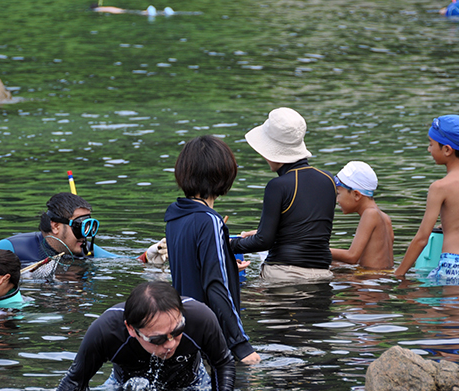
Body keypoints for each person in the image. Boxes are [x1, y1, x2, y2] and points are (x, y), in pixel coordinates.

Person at [164, 135, 261, 365]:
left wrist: (227, 264)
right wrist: (241, 345)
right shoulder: (210, 221)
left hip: (183, 333)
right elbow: (216, 286)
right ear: (223, 175)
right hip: (211, 339)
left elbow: (193, 270)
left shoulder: (175, 217)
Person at [54, 281, 235, 391]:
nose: (170, 344)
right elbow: (73, 383)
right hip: (125, 386)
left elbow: (223, 363)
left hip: (193, 385)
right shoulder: (106, 332)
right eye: (158, 339)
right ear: (132, 329)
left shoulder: (200, 317)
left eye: (177, 330)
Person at [230, 107, 337, 282]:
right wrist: (259, 233)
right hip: (323, 274)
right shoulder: (328, 180)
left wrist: (228, 245)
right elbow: (305, 230)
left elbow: (264, 242)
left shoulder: (277, 186)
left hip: (284, 275)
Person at [0, 192, 167, 266]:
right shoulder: (14, 247)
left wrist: (148, 258)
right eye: (80, 227)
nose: (86, 235)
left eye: (90, 227)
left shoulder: (84, 249)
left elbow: (125, 262)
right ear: (55, 226)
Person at [395, 115, 459, 281]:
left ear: (447, 149)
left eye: (431, 144)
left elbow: (422, 238)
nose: (429, 149)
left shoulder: (440, 187)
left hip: (453, 263)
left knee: (445, 307)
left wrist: (399, 274)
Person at [329, 161, 394, 269]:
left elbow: (352, 256)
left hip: (367, 282)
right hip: (380, 279)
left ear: (356, 195)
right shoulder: (385, 217)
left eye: (339, 193)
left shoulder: (370, 214)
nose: (337, 200)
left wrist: (315, 250)